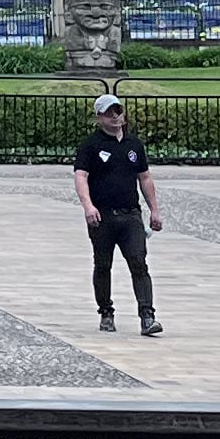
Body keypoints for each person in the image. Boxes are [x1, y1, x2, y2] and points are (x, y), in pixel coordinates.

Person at [70, 93, 164, 337]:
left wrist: (154, 209)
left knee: (138, 262)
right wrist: (88, 206)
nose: (115, 117)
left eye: (118, 111)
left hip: (130, 214)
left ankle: (147, 315)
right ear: (99, 117)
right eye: (109, 113)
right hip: (102, 216)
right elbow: (81, 176)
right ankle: (106, 310)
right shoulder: (91, 145)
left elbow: (144, 177)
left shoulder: (134, 145)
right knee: (103, 264)